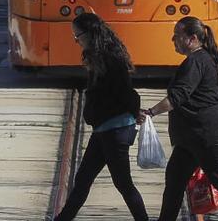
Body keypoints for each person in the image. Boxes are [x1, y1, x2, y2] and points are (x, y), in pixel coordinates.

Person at [141, 16, 218, 221]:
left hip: (206, 133)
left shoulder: (197, 61)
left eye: (177, 35)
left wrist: (151, 112)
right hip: (191, 136)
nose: (173, 40)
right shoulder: (201, 59)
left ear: (192, 38)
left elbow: (177, 97)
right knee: (175, 180)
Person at [54, 13, 148, 221]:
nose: (76, 41)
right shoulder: (101, 56)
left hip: (115, 129)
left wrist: (134, 112)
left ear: (89, 35)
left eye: (77, 36)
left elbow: (124, 91)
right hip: (105, 128)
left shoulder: (110, 58)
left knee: (123, 183)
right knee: (83, 178)